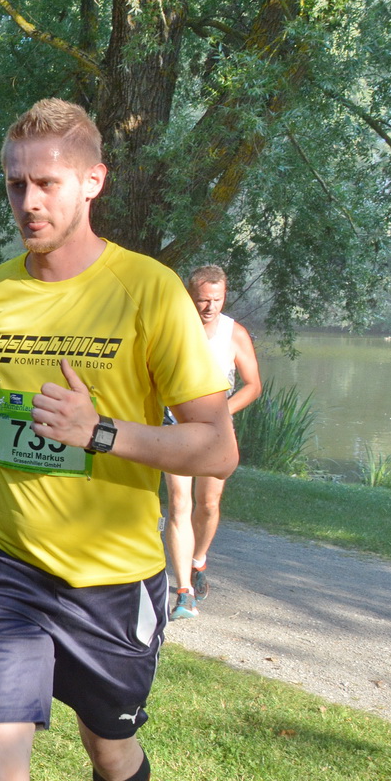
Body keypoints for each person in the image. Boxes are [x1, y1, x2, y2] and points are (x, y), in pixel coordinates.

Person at [0, 99, 237, 781]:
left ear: (92, 181)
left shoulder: (149, 289)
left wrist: (103, 432)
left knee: (111, 745)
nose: (27, 201)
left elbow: (215, 443)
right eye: (14, 184)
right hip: (10, 571)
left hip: (115, 584)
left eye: (45, 182)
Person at [163, 264, 260, 618]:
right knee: (178, 505)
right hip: (174, 427)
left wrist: (221, 413)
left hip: (217, 431)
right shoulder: (173, 328)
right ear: (191, 297)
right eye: (203, 300)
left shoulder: (235, 334)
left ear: (225, 296)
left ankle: (199, 560)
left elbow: (253, 385)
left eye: (216, 300)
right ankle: (184, 591)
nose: (209, 307)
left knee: (208, 505)